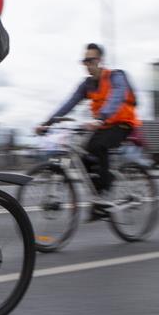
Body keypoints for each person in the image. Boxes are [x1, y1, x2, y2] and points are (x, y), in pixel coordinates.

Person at [35, 43, 141, 219]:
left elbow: (118, 96)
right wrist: (47, 123)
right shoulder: (87, 85)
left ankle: (105, 191)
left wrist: (101, 117)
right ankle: (99, 200)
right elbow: (69, 103)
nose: (87, 64)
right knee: (82, 156)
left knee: (98, 146)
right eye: (84, 61)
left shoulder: (116, 76)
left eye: (90, 60)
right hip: (101, 125)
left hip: (122, 123)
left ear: (99, 60)